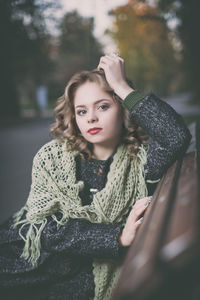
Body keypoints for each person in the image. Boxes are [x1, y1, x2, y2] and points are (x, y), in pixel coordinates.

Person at [0, 53, 191, 300]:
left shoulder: (142, 161)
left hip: (71, 281)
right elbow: (42, 227)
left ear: (123, 109)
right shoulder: (52, 158)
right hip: (26, 264)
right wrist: (115, 237)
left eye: (103, 106)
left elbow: (175, 136)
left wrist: (122, 87)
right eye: (81, 111)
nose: (91, 117)